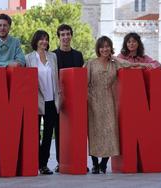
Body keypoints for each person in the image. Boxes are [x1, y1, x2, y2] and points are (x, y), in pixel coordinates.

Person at [84, 36, 151, 174]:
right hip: (93, 101)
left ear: (111, 48)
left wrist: (144, 65)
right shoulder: (91, 63)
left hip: (109, 101)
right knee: (94, 132)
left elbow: (129, 64)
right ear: (98, 49)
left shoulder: (115, 63)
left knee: (110, 131)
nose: (105, 49)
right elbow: (83, 83)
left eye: (107, 46)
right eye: (102, 47)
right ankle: (95, 164)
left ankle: (104, 163)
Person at [25, 30, 60, 175]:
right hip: (36, 100)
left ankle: (43, 164)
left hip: (51, 100)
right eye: (41, 39)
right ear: (36, 41)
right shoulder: (28, 58)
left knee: (47, 135)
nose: (44, 42)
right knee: (34, 135)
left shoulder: (53, 56)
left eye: (46, 39)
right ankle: (35, 162)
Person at [53, 24, 84, 173]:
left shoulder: (78, 55)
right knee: (59, 132)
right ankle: (61, 162)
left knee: (77, 131)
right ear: (58, 37)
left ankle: (78, 160)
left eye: (67, 34)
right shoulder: (53, 55)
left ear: (71, 36)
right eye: (62, 34)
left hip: (76, 99)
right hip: (59, 98)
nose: (65, 37)